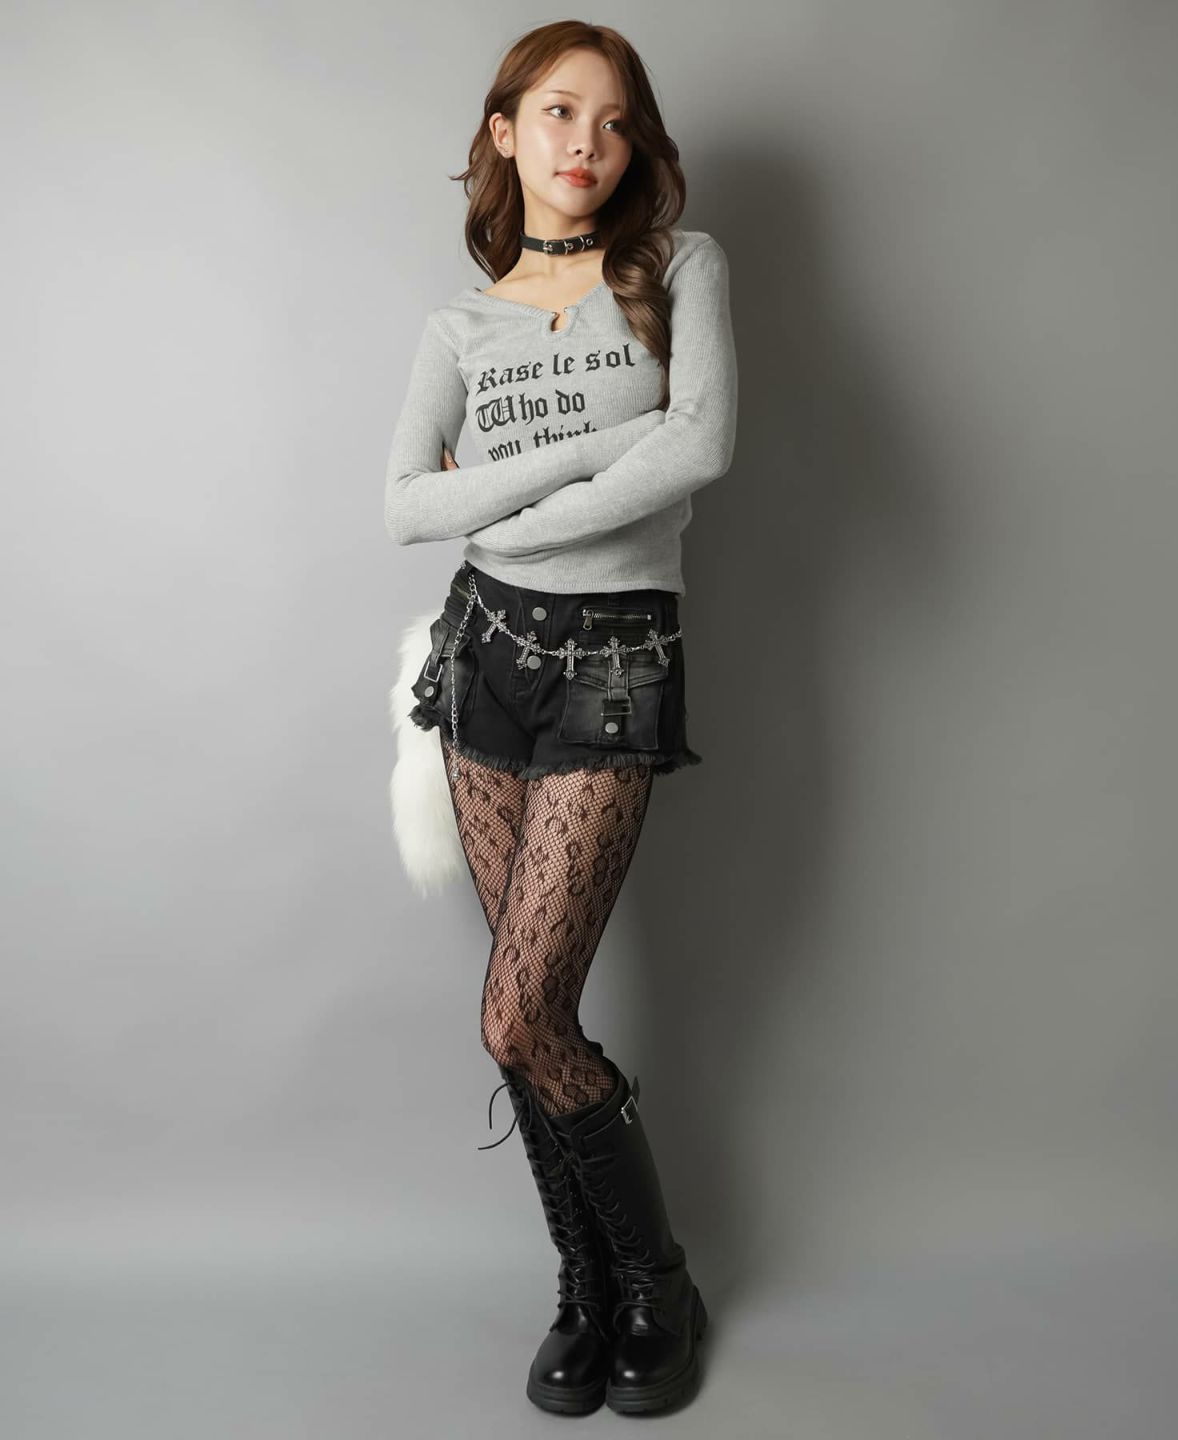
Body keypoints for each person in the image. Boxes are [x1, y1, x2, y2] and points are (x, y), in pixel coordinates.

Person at [383, 19, 737, 1418]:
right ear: (505, 133)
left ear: (634, 144)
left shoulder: (678, 268)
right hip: (484, 657)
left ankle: (657, 1280)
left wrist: (512, 504)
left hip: (613, 659)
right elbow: (403, 505)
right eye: (557, 112)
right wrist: (606, 449)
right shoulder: (458, 325)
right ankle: (586, 1291)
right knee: (532, 1017)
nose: (586, 141)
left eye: (614, 118)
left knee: (518, 1009)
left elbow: (702, 443)